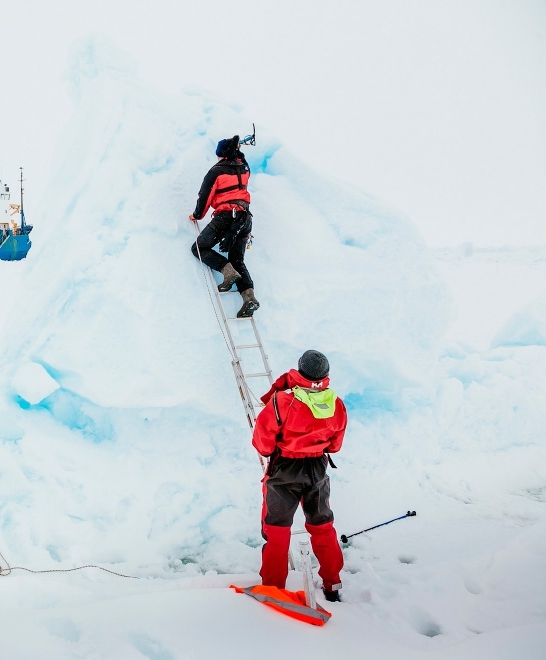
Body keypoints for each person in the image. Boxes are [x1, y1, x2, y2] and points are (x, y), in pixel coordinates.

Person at [252, 350, 347, 602]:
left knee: (277, 529)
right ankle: (333, 583)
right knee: (323, 525)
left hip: (285, 468)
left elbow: (262, 442)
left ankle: (273, 589)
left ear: (300, 371)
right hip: (317, 468)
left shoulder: (283, 401)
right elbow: (335, 445)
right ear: (325, 376)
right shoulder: (335, 403)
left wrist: (276, 453)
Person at [189, 135, 259, 318]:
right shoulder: (244, 168)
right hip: (245, 220)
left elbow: (205, 197)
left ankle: (227, 272)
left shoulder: (216, 171)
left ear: (221, 154)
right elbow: (241, 162)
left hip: (226, 217)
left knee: (199, 247)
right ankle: (249, 298)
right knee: (238, 260)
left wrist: (197, 215)